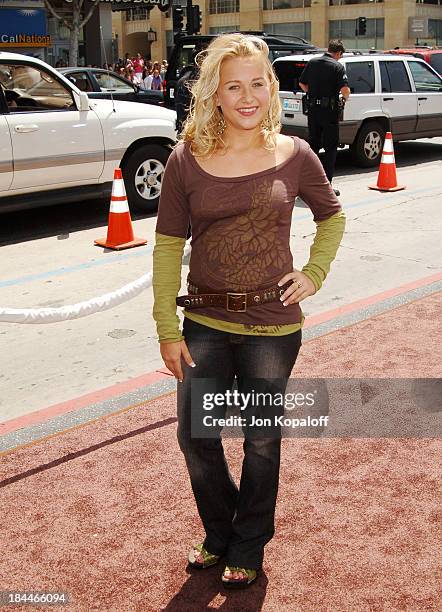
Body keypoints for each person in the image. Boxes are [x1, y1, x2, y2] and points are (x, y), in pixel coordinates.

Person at [152, 33, 345, 589]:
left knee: (262, 436)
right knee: (196, 435)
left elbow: (332, 218)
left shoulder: (295, 154)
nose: (246, 96)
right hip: (204, 323)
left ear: (271, 88)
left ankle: (249, 543)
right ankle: (221, 532)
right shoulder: (185, 159)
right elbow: (167, 248)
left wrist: (313, 274)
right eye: (233, 85)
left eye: (257, 83)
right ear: (214, 93)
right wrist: (168, 327)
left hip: (272, 326)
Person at [299, 39, 350, 196]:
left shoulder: (313, 62)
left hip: (313, 110)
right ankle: (326, 186)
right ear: (338, 53)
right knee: (330, 148)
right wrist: (344, 99)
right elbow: (345, 90)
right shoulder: (337, 66)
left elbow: (302, 83)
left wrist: (313, 93)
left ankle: (308, 183)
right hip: (329, 113)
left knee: (313, 146)